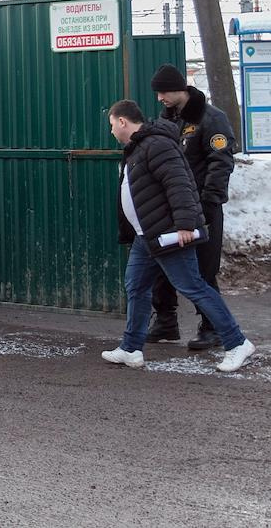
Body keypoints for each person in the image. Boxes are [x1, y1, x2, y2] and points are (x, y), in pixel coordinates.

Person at [101, 100, 254, 373]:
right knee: (136, 287)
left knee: (192, 285)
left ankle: (236, 342)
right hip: (145, 236)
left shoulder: (156, 145)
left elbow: (179, 184)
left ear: (122, 122)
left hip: (167, 233)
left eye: (112, 125)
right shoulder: (138, 147)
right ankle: (131, 348)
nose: (112, 131)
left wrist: (184, 225)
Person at [146, 64, 238, 350]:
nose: (160, 97)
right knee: (162, 263)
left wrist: (209, 202)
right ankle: (165, 320)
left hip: (202, 207)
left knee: (203, 269)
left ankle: (212, 328)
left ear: (179, 89)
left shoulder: (212, 119)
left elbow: (220, 162)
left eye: (163, 91)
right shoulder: (168, 120)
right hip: (171, 207)